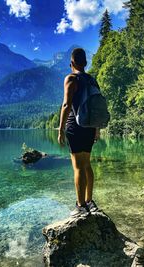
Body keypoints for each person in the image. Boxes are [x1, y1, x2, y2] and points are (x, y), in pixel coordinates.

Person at [58, 47, 100, 217]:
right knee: (87, 164)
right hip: (90, 127)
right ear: (86, 63)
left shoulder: (71, 78)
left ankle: (81, 206)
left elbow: (66, 105)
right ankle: (90, 201)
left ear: (72, 63)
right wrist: (97, 130)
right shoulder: (92, 81)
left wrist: (60, 129)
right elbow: (96, 107)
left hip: (75, 127)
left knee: (78, 167)